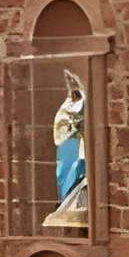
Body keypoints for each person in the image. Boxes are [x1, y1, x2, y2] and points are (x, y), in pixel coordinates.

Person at [52, 71, 87, 217]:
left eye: (72, 83)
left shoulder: (82, 101)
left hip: (77, 144)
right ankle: (65, 200)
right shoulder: (66, 106)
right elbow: (63, 123)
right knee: (65, 173)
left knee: (77, 170)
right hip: (68, 144)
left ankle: (75, 202)